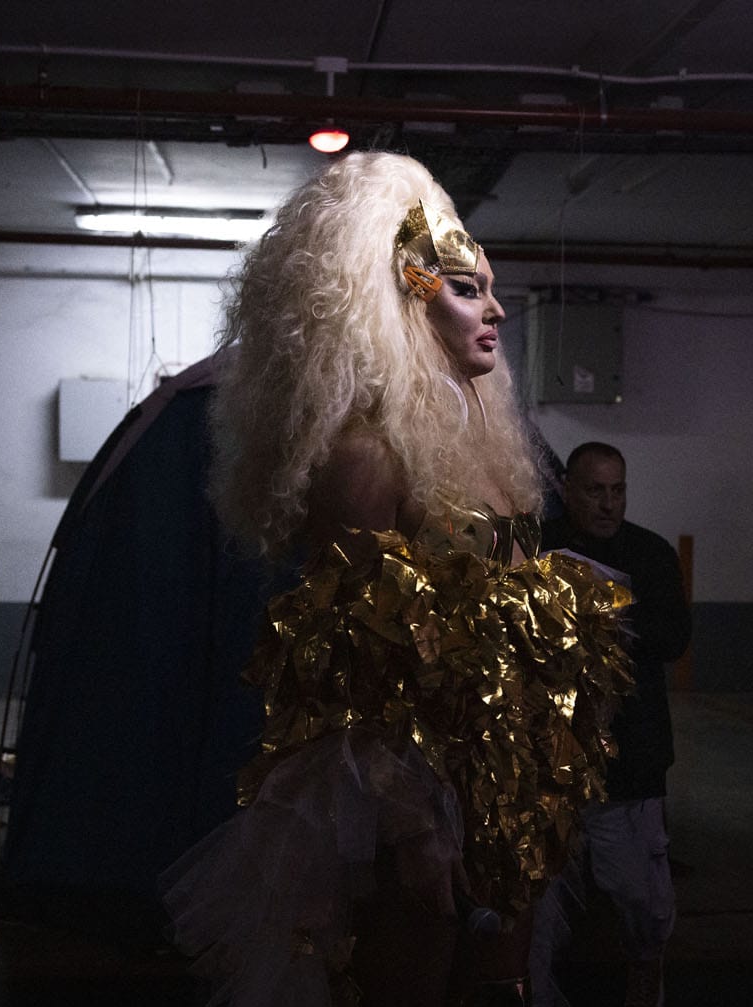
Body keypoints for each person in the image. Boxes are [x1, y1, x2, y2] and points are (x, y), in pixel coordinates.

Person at [159, 152, 633, 1007]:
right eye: (463, 288)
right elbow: (348, 659)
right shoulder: (369, 453)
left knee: (501, 983)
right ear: (407, 299)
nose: (493, 308)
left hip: (507, 789)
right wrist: (413, 823)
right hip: (412, 797)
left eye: (488, 286)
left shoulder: (483, 442)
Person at [532, 442, 691, 1007]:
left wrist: (604, 610)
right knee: (541, 898)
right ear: (568, 490)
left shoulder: (648, 554)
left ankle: (644, 986)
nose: (607, 503)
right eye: (594, 490)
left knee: (642, 901)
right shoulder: (542, 546)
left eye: (617, 489)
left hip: (631, 756)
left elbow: (673, 637)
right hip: (553, 754)